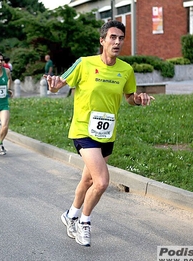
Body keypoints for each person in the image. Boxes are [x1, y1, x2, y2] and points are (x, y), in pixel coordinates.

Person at [45, 20, 154, 247]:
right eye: (112, 37)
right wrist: (54, 85)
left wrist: (139, 99)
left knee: (87, 180)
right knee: (102, 182)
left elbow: (129, 98)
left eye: (121, 38)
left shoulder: (126, 70)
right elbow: (59, 84)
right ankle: (84, 223)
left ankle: (70, 215)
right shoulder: (84, 64)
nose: (117, 42)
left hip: (106, 133)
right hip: (83, 130)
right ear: (102, 40)